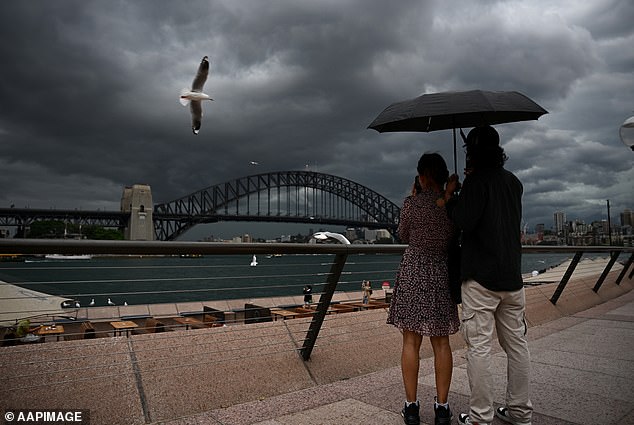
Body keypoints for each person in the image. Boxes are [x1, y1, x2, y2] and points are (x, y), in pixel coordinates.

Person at [443, 126, 533, 425]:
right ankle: (520, 412)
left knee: (479, 348)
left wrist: (452, 196)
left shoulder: (476, 182)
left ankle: (481, 417)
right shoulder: (514, 182)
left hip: (480, 278)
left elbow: (465, 220)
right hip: (512, 276)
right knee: (517, 346)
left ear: (471, 153)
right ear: (499, 150)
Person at [387, 153, 460, 425]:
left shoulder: (411, 204)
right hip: (441, 271)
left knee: (411, 341)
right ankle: (442, 408)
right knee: (441, 342)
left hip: (414, 271)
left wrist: (415, 197)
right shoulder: (451, 206)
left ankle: (411, 407)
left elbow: (403, 234)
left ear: (423, 176)